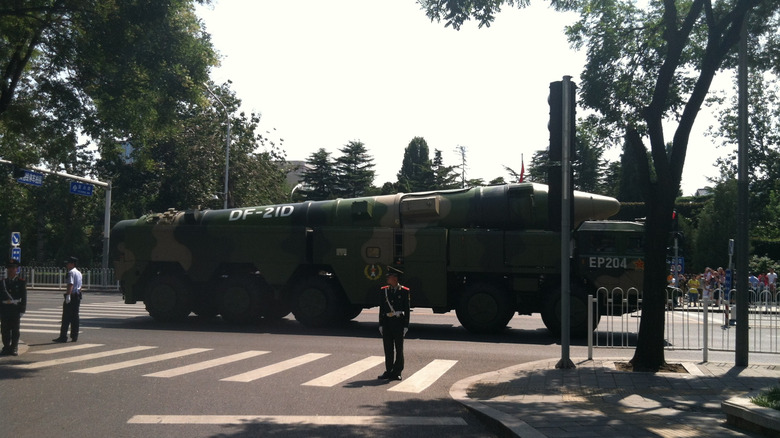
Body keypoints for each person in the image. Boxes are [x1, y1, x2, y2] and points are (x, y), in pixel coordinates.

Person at [377, 267, 410, 381]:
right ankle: (389, 370)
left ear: (395, 278)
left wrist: (406, 325)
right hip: (387, 323)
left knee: (399, 349)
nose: (387, 278)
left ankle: (397, 372)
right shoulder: (384, 290)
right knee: (388, 348)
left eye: (389, 276)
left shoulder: (404, 291)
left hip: (399, 323)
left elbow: (407, 308)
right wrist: (381, 324)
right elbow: (382, 308)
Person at [53, 256, 82, 343]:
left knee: (66, 317)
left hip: (72, 295)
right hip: (77, 296)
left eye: (68, 263)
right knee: (75, 317)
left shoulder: (71, 273)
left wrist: (68, 295)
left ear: (72, 264)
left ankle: (63, 336)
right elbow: (80, 286)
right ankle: (74, 336)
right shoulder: (79, 273)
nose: (67, 265)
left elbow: (70, 284)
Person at [1, 259, 27, 356]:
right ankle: (6, 347)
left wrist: (22, 309)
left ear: (17, 269)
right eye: (9, 268)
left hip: (15, 309)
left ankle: (14, 347)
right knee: (4, 329)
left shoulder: (21, 282)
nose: (11, 270)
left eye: (13, 268)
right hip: (4, 309)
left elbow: (24, 297)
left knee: (15, 329)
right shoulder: (2, 282)